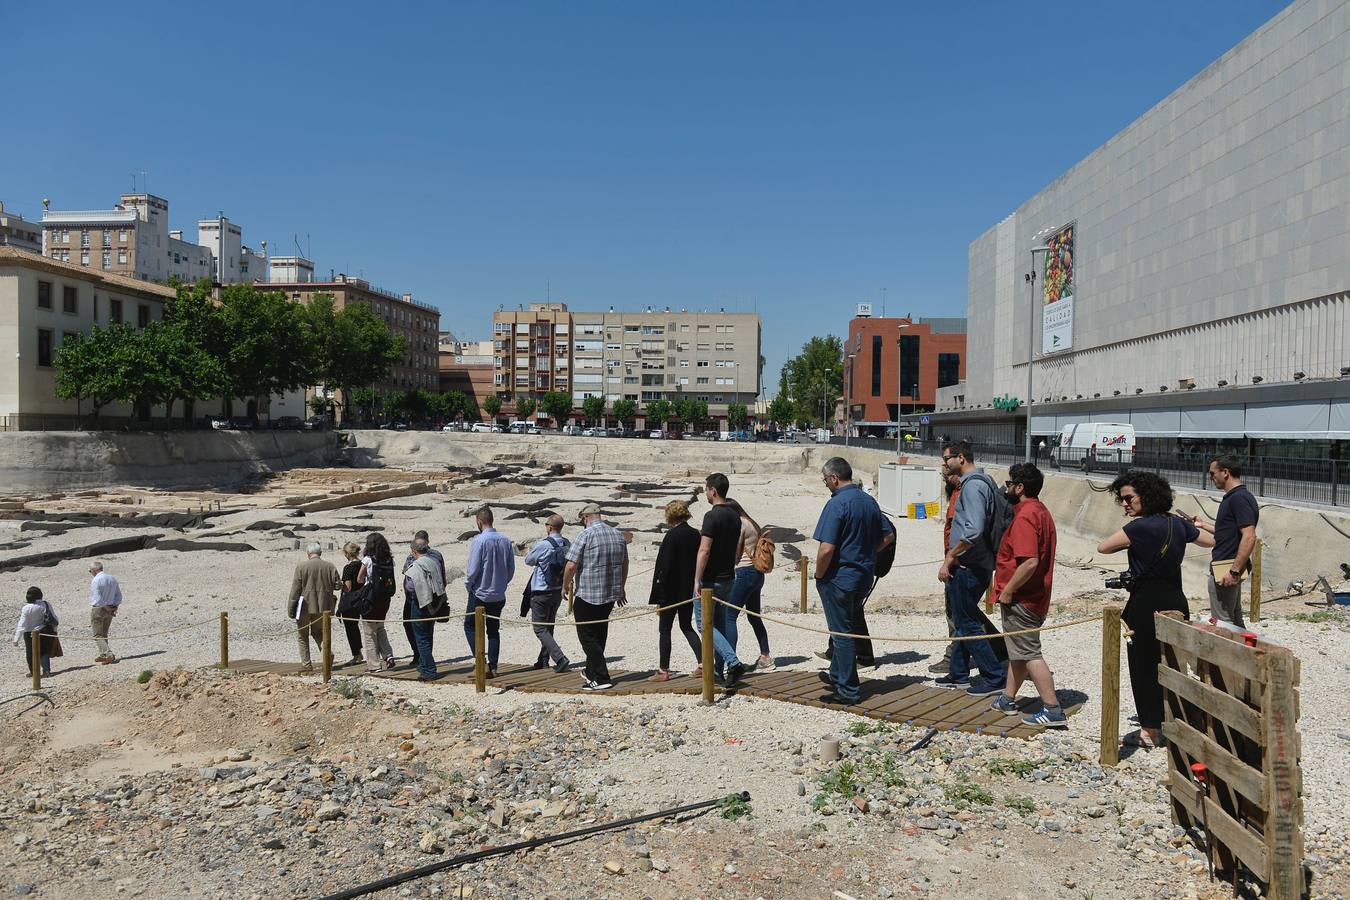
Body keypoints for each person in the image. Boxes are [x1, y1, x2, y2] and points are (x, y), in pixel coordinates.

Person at [1099, 471, 1213, 749]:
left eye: (1128, 498)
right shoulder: (1177, 524)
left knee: (1144, 667)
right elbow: (1212, 542)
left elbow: (1103, 548)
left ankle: (1150, 729)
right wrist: (1196, 524)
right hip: (1176, 599)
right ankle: (1175, 720)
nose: (1125, 504)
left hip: (1144, 603)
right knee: (1173, 665)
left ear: (1145, 496)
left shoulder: (1138, 528)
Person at [988, 463, 1066, 727]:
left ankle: (1052, 708)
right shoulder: (1040, 511)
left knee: (1030, 652)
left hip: (1023, 598)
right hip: (1035, 596)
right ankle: (1008, 697)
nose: (1007, 488)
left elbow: (1029, 561)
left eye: (1010, 484)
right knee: (1018, 650)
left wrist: (1008, 590)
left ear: (1020, 487)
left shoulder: (1025, 516)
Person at [813, 457, 895, 706]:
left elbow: (826, 548)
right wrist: (869, 553)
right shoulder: (868, 501)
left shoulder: (837, 504)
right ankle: (838, 676)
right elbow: (888, 535)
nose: (826, 484)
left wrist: (818, 575)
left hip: (840, 577)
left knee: (841, 633)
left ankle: (847, 689)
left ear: (834, 478)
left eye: (826, 480)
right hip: (863, 576)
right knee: (847, 626)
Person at [937, 440, 1006, 695]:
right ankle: (958, 674)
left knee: (966, 623)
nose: (944, 464)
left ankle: (994, 676)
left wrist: (950, 558)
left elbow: (973, 530)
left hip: (969, 565)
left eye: (947, 459)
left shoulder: (974, 486)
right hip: (972, 563)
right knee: (961, 618)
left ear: (961, 458)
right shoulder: (977, 483)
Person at [563, 502, 629, 691]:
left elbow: (571, 565)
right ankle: (591, 671)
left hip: (588, 594)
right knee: (600, 633)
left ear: (585, 518)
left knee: (588, 637)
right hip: (610, 593)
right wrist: (621, 588)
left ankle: (601, 677)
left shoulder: (586, 534)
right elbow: (625, 562)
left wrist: (565, 585)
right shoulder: (617, 534)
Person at [1191, 454, 1259, 629]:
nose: (1211, 477)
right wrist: (1202, 524)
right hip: (1228, 566)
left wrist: (1234, 572)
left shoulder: (1238, 498)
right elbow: (1228, 532)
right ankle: (1245, 654)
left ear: (1225, 472)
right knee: (1234, 618)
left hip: (1227, 568)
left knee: (1223, 623)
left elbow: (1249, 536)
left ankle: (1231, 656)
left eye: (1213, 473)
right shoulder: (1239, 496)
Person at [691, 473, 746, 684]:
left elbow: (704, 550)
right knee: (720, 624)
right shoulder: (735, 516)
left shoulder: (711, 516)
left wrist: (696, 579)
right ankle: (717, 671)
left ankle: (732, 662)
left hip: (710, 579)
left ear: (713, 491)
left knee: (704, 624)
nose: (706, 493)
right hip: (728, 577)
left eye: (706, 490)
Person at [647, 500, 703, 681]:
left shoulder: (671, 536)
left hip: (669, 590)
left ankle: (663, 670)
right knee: (687, 626)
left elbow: (665, 566)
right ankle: (703, 663)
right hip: (687, 588)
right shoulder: (695, 534)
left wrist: (658, 590)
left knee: (665, 629)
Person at [463, 506, 514, 678]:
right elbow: (511, 569)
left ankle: (481, 663)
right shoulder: (505, 540)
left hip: (480, 593)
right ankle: (493, 666)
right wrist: (502, 584)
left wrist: (468, 585)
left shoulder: (479, 541)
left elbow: (472, 569)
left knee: (470, 626)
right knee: (493, 630)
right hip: (498, 594)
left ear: (479, 521)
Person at [726, 498, 775, 672]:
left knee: (729, 616)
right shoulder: (752, 523)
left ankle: (731, 661)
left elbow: (735, 550)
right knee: (754, 616)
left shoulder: (739, 524)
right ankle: (765, 655)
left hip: (744, 571)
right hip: (757, 573)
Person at [523, 514, 571, 673]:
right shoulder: (567, 543)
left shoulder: (544, 545)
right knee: (548, 627)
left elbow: (528, 560)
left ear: (550, 527)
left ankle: (560, 658)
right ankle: (543, 660)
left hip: (541, 590)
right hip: (558, 589)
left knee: (539, 628)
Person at [928, 470, 963, 674]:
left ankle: (955, 659)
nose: (943, 472)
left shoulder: (963, 493)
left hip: (959, 564)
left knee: (958, 615)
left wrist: (949, 561)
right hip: (957, 561)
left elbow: (968, 533)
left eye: (947, 467)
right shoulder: (955, 493)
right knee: (963, 614)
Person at [286, 543, 340, 673]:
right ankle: (327, 654)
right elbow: (338, 586)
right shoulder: (330, 566)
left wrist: (291, 608)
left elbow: (295, 590)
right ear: (320, 553)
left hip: (305, 606)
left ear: (308, 554)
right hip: (324, 607)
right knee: (318, 633)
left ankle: (306, 664)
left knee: (302, 635)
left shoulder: (301, 567)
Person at [401, 530, 446, 669]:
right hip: (432, 598)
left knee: (421, 633)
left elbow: (409, 581)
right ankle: (424, 658)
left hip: (420, 599)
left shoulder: (420, 558)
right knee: (425, 629)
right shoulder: (434, 557)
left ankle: (425, 663)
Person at [354, 535, 397, 673]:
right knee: (380, 628)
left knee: (369, 632)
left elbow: (360, 579)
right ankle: (388, 656)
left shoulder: (368, 560)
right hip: (384, 599)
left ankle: (374, 666)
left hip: (371, 598)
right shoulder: (389, 559)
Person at [13, 586, 56, 677]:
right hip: (44, 630)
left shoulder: (26, 608)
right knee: (44, 651)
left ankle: (33, 672)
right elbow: (54, 618)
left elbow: (22, 624)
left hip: (29, 632)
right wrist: (55, 631)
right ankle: (46, 671)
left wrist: (16, 639)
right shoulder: (46, 604)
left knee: (30, 653)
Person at [88, 561, 122, 665]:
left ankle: (108, 654)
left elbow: (98, 598)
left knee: (98, 635)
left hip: (99, 609)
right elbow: (118, 595)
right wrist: (114, 607)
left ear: (94, 570)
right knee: (104, 633)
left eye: (90, 571)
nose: (90, 573)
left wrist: (106, 607)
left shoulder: (96, 580)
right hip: (110, 608)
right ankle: (103, 654)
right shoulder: (112, 578)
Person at [336, 544, 364, 666]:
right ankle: (360, 653)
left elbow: (348, 587)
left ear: (347, 553)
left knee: (351, 628)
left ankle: (356, 654)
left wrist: (338, 585)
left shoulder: (348, 568)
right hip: (362, 598)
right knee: (358, 627)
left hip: (350, 601)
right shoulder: (363, 564)